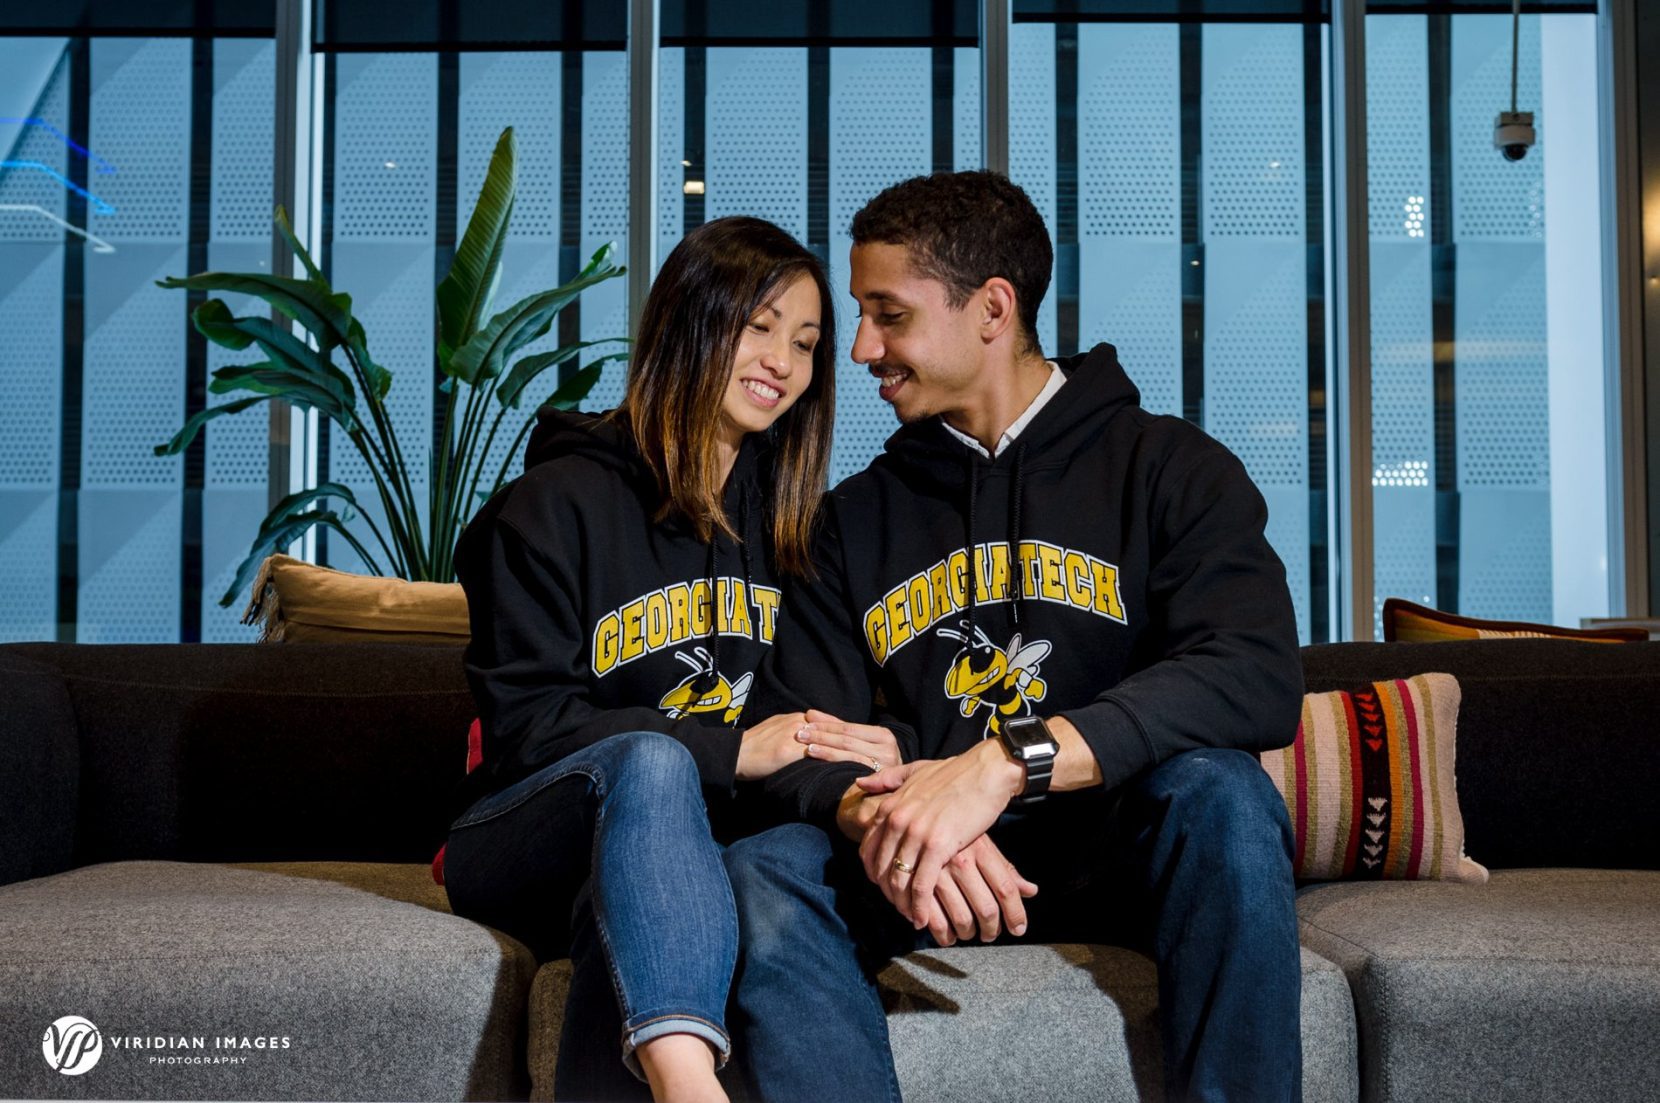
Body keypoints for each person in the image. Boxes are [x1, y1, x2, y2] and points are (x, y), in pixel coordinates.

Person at [724, 172, 1306, 1101]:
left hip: (1116, 845)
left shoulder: (1170, 469)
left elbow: (1254, 673)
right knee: (765, 870)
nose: (863, 347)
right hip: (926, 862)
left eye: (889, 315)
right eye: (861, 317)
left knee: (1226, 799)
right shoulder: (850, 520)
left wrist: (1002, 764)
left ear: (992, 308)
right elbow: (805, 733)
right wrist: (900, 814)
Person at [443, 216, 901, 1103]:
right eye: (758, 326)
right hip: (526, 830)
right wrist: (730, 751)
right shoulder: (548, 508)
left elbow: (806, 712)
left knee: (699, 890)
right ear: (689, 320)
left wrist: (850, 758)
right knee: (650, 764)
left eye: (805, 343)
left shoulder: (791, 528)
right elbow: (528, 730)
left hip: (676, 860)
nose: (783, 360)